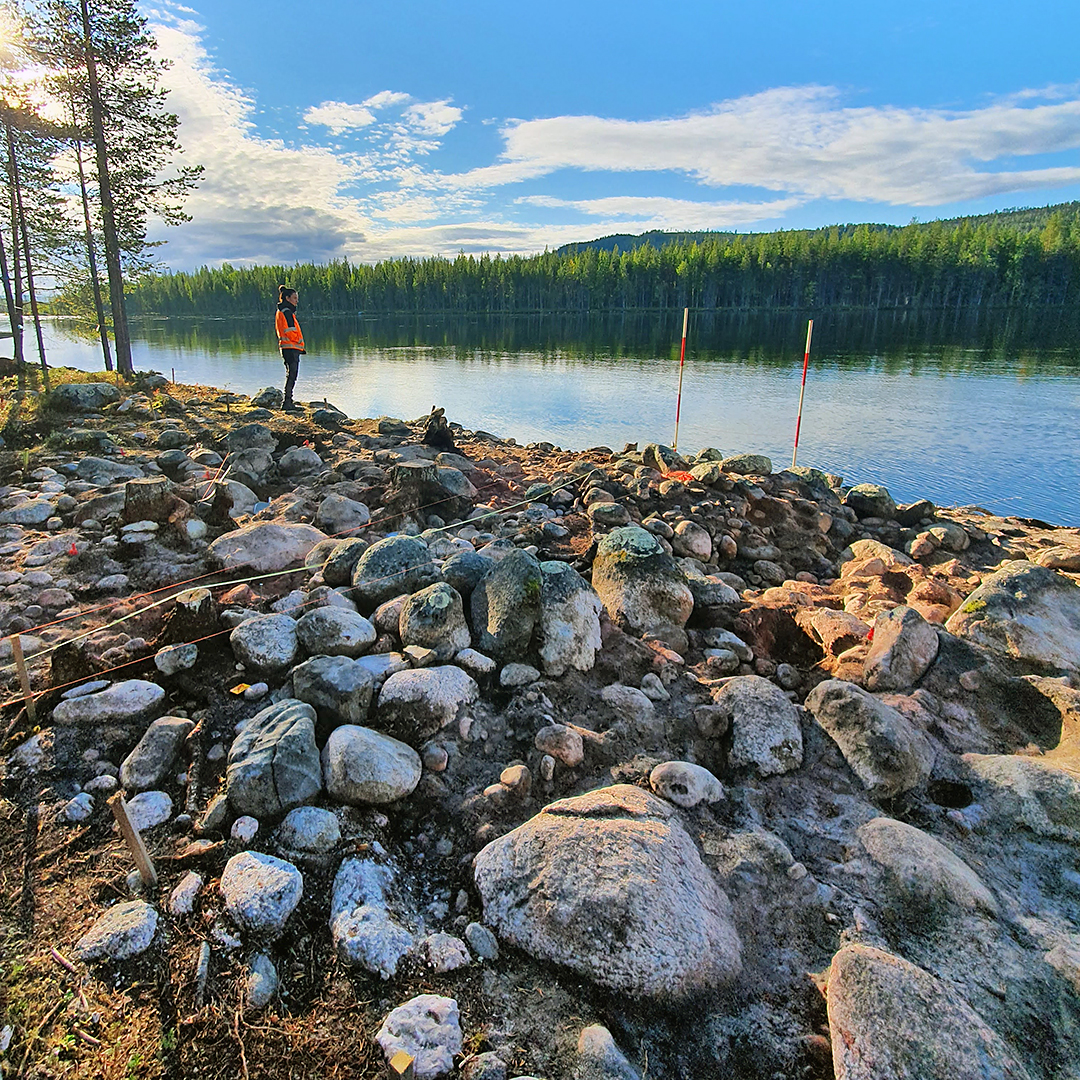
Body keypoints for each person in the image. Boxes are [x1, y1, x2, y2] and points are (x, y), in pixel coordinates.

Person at [275, 285, 305, 409]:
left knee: (290, 374)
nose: (296, 300)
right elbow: (290, 330)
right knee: (292, 375)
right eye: (294, 298)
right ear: (287, 298)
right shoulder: (286, 312)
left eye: (297, 298)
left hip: (287, 347)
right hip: (291, 348)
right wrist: (298, 340)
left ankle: (288, 401)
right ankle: (287, 402)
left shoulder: (283, 311)